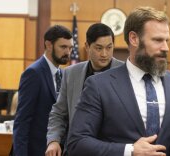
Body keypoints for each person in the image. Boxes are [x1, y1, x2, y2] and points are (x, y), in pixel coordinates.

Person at [68, 6, 170, 156]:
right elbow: (77, 143)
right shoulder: (99, 85)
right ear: (134, 39)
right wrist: (130, 151)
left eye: (167, 40)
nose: (166, 48)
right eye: (157, 40)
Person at [45, 23, 124, 156]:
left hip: (111, 150)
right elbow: (58, 113)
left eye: (109, 48)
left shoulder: (125, 73)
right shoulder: (70, 73)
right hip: (76, 150)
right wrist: (53, 140)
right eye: (98, 48)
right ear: (87, 46)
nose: (104, 54)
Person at [13, 25, 73, 156]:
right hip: (36, 150)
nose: (68, 52)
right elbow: (22, 121)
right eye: (63, 47)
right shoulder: (33, 73)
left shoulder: (63, 74)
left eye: (70, 48)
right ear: (49, 45)